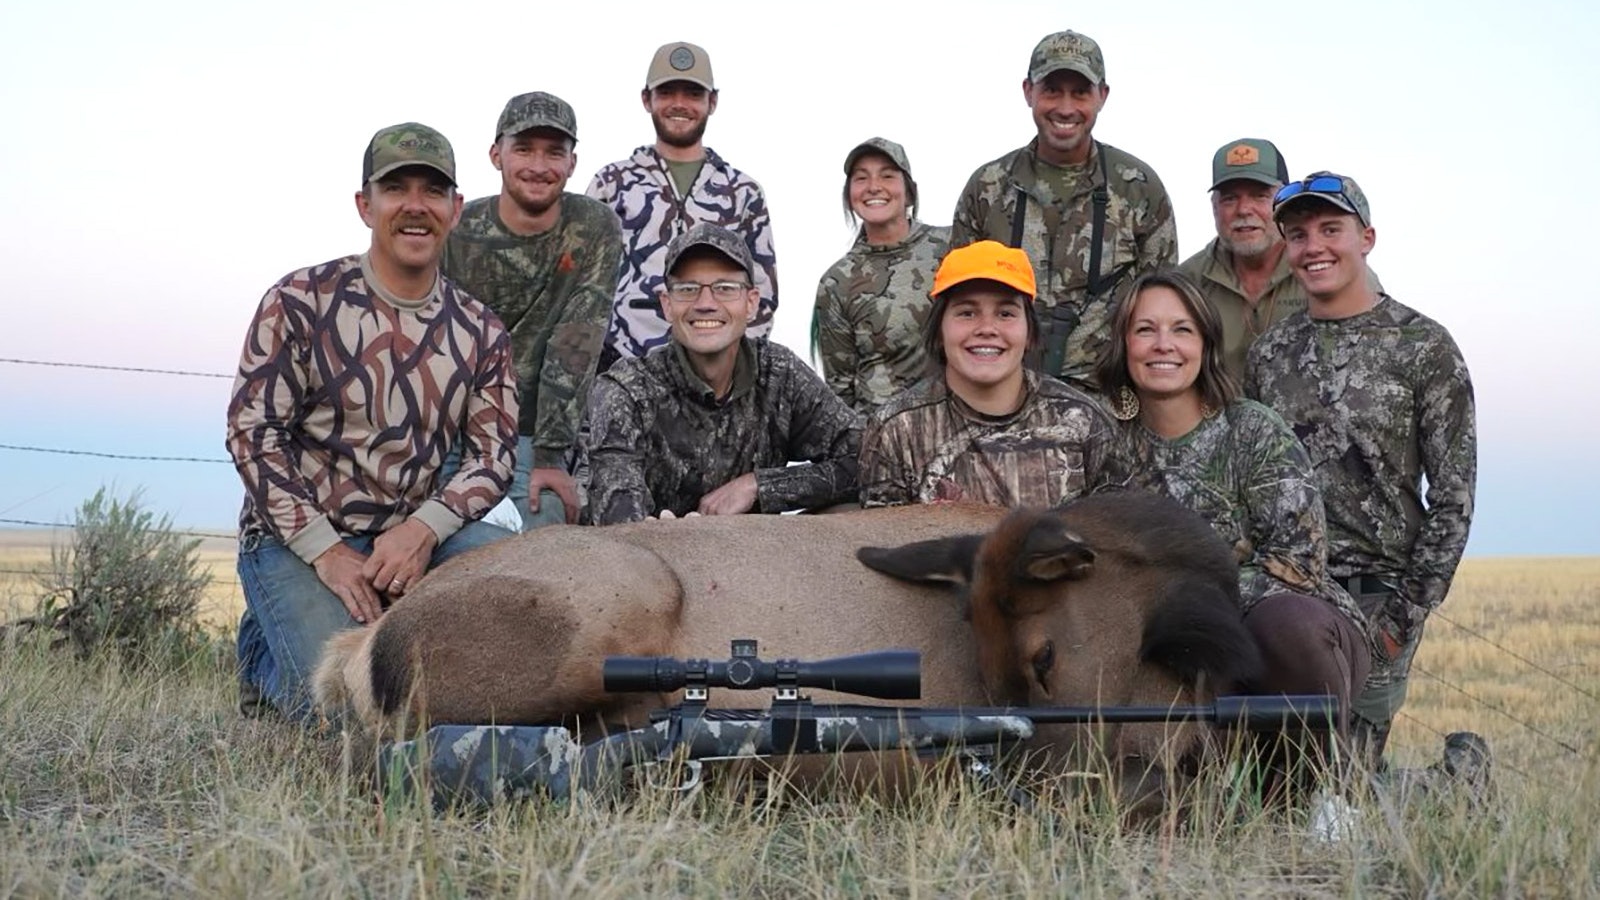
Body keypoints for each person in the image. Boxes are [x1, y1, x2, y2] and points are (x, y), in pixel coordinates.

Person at [227, 123, 519, 721]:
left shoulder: (482, 329)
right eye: (396, 189)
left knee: (516, 623)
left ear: (456, 209)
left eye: (433, 192)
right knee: (344, 712)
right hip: (300, 540)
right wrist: (327, 552)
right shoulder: (300, 300)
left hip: (416, 541)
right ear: (366, 205)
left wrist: (424, 531)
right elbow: (251, 431)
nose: (416, 207)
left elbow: (494, 457)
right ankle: (263, 651)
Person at [1247, 172, 1476, 768]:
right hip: (1290, 592)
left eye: (1331, 229)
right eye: (1297, 235)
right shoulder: (1270, 354)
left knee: (1344, 775)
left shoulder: (1424, 346)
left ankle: (1458, 785)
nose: (1314, 246)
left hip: (1380, 593)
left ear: (1366, 237)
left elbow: (1454, 498)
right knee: (1283, 769)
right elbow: (1251, 478)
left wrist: (1404, 616)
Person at [1094, 270, 1373, 757]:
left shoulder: (1251, 429)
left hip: (1285, 640)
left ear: (1205, 344)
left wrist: (1174, 597)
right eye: (1145, 329)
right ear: (1122, 344)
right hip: (1167, 649)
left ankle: (1327, 792)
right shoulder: (1101, 443)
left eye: (1182, 329)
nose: (1164, 345)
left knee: (1287, 622)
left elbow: (1299, 563)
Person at [578, 224, 857, 524]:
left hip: (751, 559)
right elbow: (618, 517)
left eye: (725, 288)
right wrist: (654, 534)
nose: (706, 304)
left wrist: (759, 486)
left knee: (854, 510)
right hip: (654, 561)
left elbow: (869, 459)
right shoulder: (625, 390)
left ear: (751, 303)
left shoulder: (780, 374)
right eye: (688, 289)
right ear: (667, 305)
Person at [949, 29, 1176, 391]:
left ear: (1102, 96)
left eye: (1081, 92)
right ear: (1028, 92)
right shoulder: (986, 187)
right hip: (1001, 397)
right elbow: (956, 301)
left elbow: (1163, 306)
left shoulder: (1139, 187)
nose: (1066, 108)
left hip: (1108, 402)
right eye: (1052, 90)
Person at [442, 91, 623, 530]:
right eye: (523, 149)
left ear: (572, 164)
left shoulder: (594, 227)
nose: (539, 166)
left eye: (554, 153)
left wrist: (549, 455)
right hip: (446, 435)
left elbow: (576, 340)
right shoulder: (456, 230)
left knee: (549, 531)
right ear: (495, 154)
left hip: (530, 439)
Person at [859, 241, 1117, 508]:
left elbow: (1113, 538)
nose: (987, 328)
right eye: (967, 313)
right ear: (939, 330)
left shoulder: (1084, 421)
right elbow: (882, 541)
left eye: (1005, 313)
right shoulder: (895, 430)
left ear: (1029, 332)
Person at [588, 41, 778, 370]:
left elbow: (762, 294)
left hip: (714, 376)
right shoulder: (611, 184)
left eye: (692, 93)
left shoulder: (743, 192)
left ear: (712, 102)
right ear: (647, 99)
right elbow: (582, 285)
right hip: (622, 372)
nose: (679, 104)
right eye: (667, 92)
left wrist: (735, 369)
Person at [1179, 139, 1382, 380]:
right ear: (1214, 208)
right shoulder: (1185, 283)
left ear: (1283, 204)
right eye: (1229, 199)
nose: (1244, 209)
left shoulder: (1329, 271)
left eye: (1260, 196)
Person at [812, 137, 950, 414]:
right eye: (861, 179)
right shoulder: (836, 282)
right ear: (849, 196)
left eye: (887, 176)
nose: (874, 187)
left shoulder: (952, 247)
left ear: (909, 193)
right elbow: (840, 391)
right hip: (882, 435)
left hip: (959, 426)